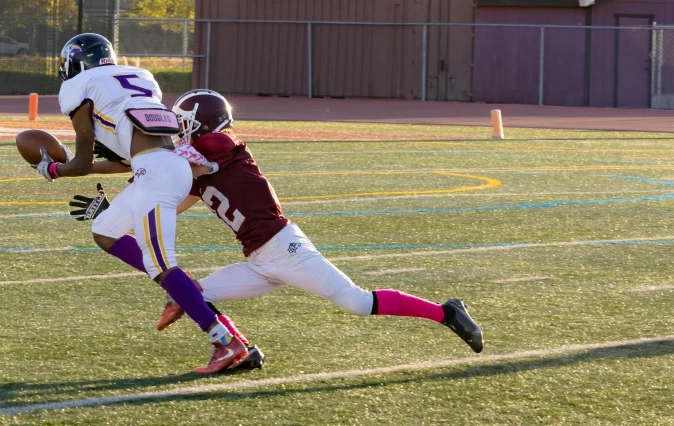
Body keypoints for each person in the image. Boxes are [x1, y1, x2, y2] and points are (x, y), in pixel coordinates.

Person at [80, 89, 484, 358]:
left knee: (358, 302)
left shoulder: (220, 145)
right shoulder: (195, 172)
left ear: (202, 124)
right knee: (194, 293)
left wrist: (125, 154)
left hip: (285, 249)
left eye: (183, 121)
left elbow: (169, 158)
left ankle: (446, 313)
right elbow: (161, 203)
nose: (175, 127)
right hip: (257, 259)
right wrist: (111, 215)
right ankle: (241, 350)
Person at [35, 34, 249, 374]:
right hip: (166, 164)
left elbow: (79, 163)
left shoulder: (78, 89)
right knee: (105, 230)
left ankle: (226, 340)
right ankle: (183, 285)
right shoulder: (140, 78)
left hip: (156, 173)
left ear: (75, 63)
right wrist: (69, 168)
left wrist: (50, 169)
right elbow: (126, 161)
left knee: (160, 264)